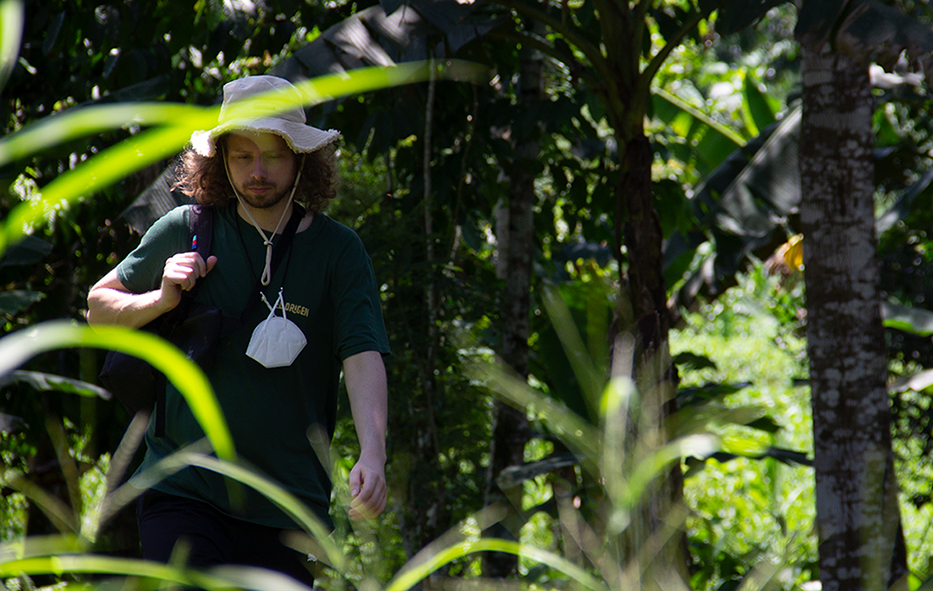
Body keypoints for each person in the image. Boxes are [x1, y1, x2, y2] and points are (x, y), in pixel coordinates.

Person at [87, 75, 390, 586]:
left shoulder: (339, 252)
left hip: (288, 505)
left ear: (301, 159)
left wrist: (373, 454)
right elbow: (99, 307)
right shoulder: (186, 227)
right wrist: (158, 299)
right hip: (182, 489)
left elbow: (362, 354)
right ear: (220, 161)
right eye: (241, 156)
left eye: (273, 155)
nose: (257, 171)